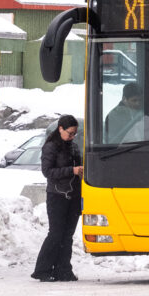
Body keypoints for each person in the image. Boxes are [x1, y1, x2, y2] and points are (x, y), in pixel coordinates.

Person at [32, 115, 84, 282]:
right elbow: (48, 172)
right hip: (57, 195)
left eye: (75, 133)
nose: (72, 136)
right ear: (60, 129)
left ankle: (63, 269)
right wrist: (72, 170)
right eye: (70, 133)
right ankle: (42, 269)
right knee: (56, 233)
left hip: (73, 195)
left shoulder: (73, 147)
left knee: (67, 234)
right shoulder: (51, 147)